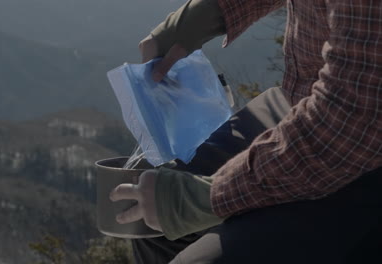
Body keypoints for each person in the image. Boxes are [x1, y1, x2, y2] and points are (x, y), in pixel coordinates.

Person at [110, 0, 382, 263]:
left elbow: (352, 119)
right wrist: (204, 15)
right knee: (151, 222)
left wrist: (205, 197)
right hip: (300, 102)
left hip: (357, 147)